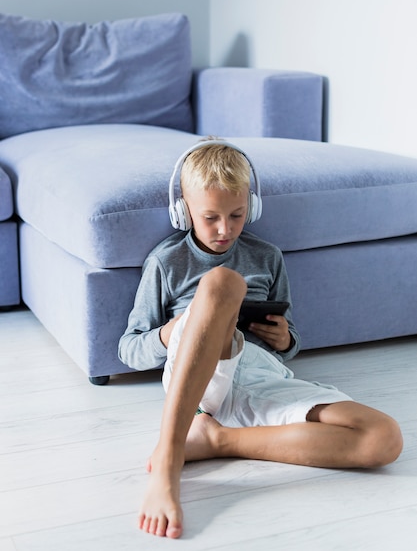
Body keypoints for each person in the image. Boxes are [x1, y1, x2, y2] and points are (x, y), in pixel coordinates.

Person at [118, 140, 403, 539]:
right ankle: (169, 456)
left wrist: (286, 340)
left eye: (236, 215)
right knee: (221, 283)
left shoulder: (267, 256)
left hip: (262, 375)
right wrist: (174, 330)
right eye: (210, 217)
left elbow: (291, 342)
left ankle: (218, 439)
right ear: (183, 211)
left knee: (383, 438)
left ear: (251, 207)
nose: (225, 229)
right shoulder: (166, 262)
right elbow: (129, 348)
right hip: (200, 375)